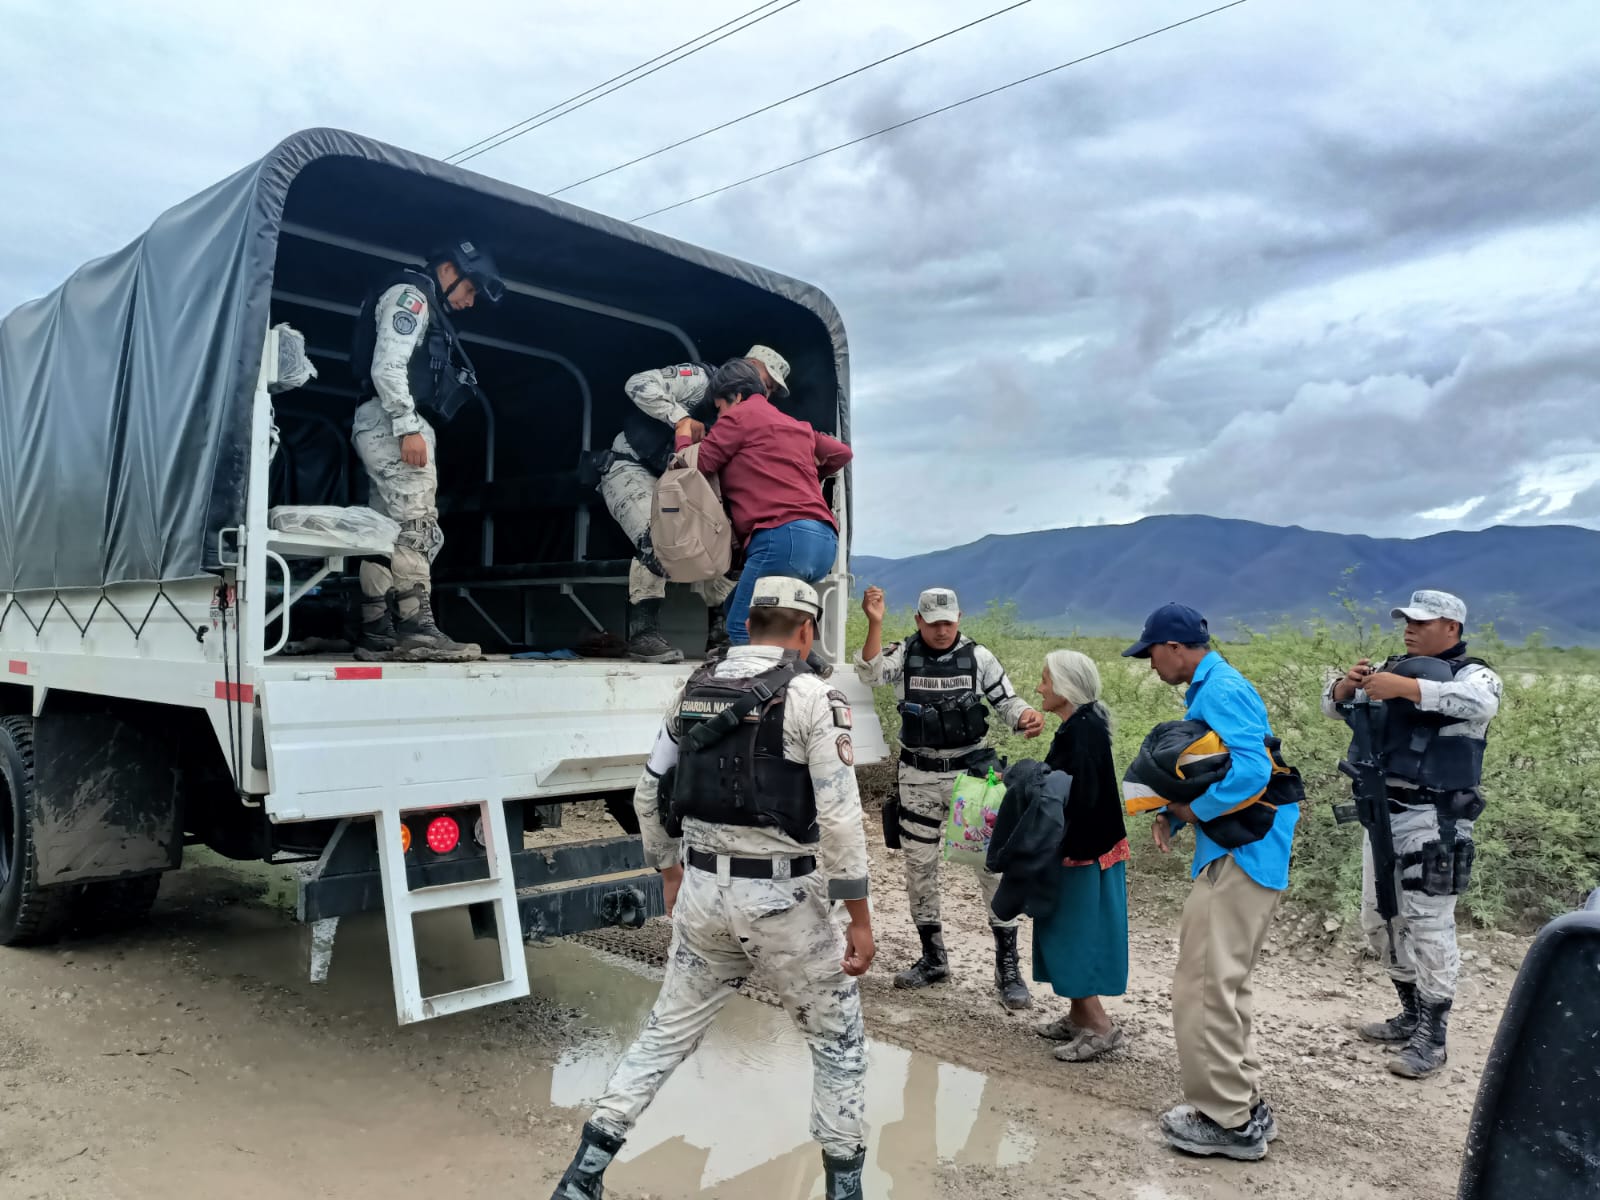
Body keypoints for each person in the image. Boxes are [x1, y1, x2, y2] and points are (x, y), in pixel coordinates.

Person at [550, 576, 875, 1200]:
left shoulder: (692, 689)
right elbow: (838, 819)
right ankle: (844, 1191)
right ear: (806, 631)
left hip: (702, 891)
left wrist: (669, 870)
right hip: (783, 903)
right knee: (837, 1043)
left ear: (747, 625)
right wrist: (858, 917)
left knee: (666, 1032)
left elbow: (649, 791)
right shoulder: (813, 696)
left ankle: (582, 1177)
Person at [1125, 603, 1296, 1161]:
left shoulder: (1220, 688)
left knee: (1202, 986)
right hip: (1249, 852)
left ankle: (1227, 1122)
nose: (1150, 663)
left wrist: (1193, 811)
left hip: (1240, 856)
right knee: (1227, 984)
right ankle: (1242, 1102)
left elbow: (1253, 771)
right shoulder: (1218, 685)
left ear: (1175, 647)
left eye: (1151, 652)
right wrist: (1179, 813)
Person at [1324, 589, 1501, 1080]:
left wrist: (1403, 688)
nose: (1409, 627)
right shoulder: (1392, 667)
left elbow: (1480, 704)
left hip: (1436, 818)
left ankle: (1434, 1035)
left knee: (1429, 922)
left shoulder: (1474, 675)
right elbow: (1338, 708)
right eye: (1407, 619)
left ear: (1452, 629)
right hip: (1382, 812)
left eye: (1422, 622)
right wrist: (1345, 688)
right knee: (1378, 917)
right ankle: (1409, 1013)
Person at [855, 584, 1046, 1008]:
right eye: (933, 622)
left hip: (971, 779)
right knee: (919, 869)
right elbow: (869, 672)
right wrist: (874, 622)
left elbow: (1007, 701)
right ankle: (932, 958)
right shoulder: (903, 654)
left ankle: (1007, 967)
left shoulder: (979, 658)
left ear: (958, 620)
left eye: (948, 622)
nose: (941, 630)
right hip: (917, 775)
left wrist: (1026, 718)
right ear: (919, 621)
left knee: (990, 869)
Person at [350, 237, 503, 663]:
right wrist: (406, 425)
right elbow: (388, 366)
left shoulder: (416, 297)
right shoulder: (412, 296)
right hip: (391, 420)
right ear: (451, 271)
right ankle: (417, 629)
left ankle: (375, 628)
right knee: (416, 519)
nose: (470, 302)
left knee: (384, 527)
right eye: (470, 290)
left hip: (380, 420)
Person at [595, 345, 792, 662]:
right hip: (633, 466)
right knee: (658, 535)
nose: (765, 395)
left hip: (686, 481)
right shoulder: (704, 381)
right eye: (767, 384)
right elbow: (638, 383)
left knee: (732, 538)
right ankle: (643, 634)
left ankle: (722, 634)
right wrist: (680, 418)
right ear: (751, 366)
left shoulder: (751, 418)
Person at [676, 359, 851, 646]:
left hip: (782, 540)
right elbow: (841, 453)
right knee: (738, 609)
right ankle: (810, 664)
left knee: (741, 627)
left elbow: (696, 468)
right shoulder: (795, 425)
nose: (719, 417)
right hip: (824, 544)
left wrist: (683, 438)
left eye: (719, 407)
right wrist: (803, 473)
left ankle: (760, 690)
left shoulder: (739, 416)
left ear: (738, 396)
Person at [1030, 650, 1130, 1062]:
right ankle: (1077, 1016)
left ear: (1065, 687)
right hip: (1091, 848)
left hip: (1083, 854)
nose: (1039, 688)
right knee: (1071, 932)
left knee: (1074, 935)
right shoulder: (1083, 726)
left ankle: (1098, 1026)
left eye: (1045, 680)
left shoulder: (1080, 734)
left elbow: (1081, 801)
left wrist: (1066, 852)